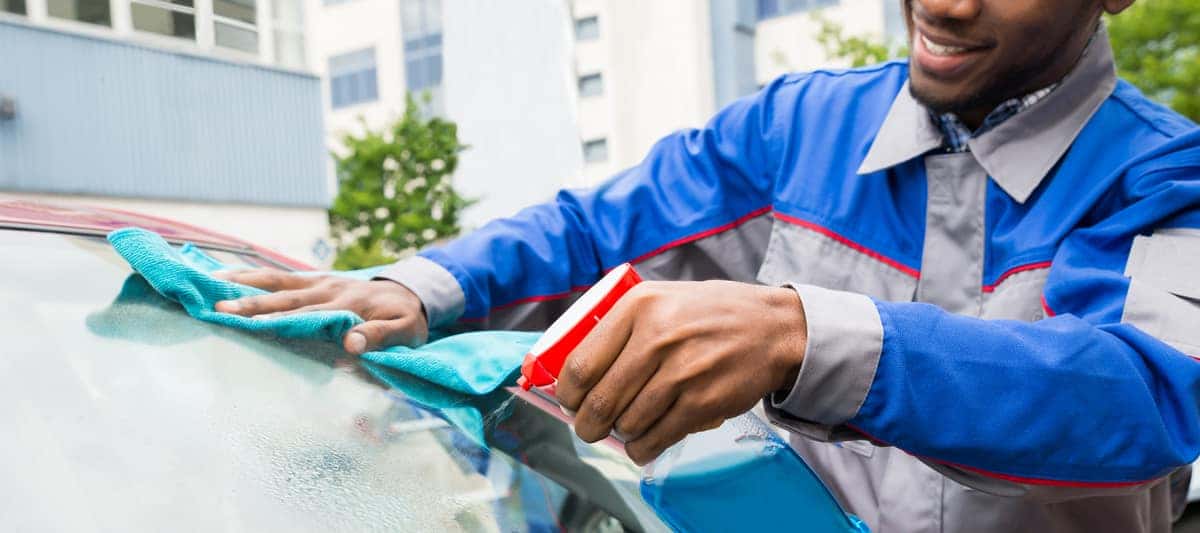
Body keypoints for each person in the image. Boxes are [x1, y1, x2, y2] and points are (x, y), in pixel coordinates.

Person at [215, 0, 1200, 530]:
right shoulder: (794, 128)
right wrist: (417, 288)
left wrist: (803, 336)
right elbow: (593, 234)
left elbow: (1142, 393)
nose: (944, 2)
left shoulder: (1169, 175)